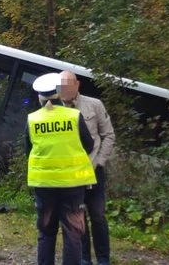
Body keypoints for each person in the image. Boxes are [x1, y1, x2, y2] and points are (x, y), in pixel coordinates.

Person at [26, 72, 96, 265]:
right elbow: (89, 145)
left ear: (40, 97)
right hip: (73, 186)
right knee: (73, 234)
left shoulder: (33, 120)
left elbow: (28, 151)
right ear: (59, 93)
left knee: (46, 233)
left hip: (44, 186)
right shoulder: (74, 116)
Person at [60, 71, 115, 265]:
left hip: (94, 172)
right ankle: (84, 258)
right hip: (72, 176)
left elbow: (108, 135)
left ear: (77, 85)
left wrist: (100, 161)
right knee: (77, 218)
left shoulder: (94, 105)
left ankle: (103, 260)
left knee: (98, 217)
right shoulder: (56, 110)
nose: (64, 89)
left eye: (68, 84)